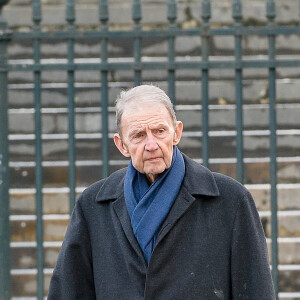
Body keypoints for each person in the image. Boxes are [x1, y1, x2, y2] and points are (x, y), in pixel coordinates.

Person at [48, 84, 275, 299]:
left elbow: (256, 291)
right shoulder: (93, 206)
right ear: (121, 145)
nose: (151, 144)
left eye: (159, 131)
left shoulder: (230, 201)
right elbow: (68, 292)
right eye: (138, 135)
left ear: (177, 133)